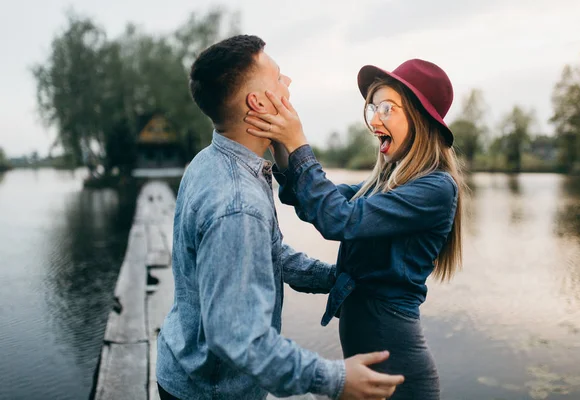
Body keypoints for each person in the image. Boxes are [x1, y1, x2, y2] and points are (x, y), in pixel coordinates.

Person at [155, 34, 405, 400]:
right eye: (277, 77)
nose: (287, 83)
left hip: (187, 372)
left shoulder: (211, 161)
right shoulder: (237, 203)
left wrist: (331, 277)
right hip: (210, 391)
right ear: (257, 102)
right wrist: (335, 379)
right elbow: (238, 338)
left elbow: (262, 253)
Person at [244, 58, 465, 400]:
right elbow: (317, 203)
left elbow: (338, 219)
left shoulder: (436, 188)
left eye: (387, 108)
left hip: (399, 377)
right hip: (370, 369)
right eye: (373, 108)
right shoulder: (385, 183)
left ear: (421, 119)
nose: (374, 119)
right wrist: (284, 150)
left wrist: (299, 142)